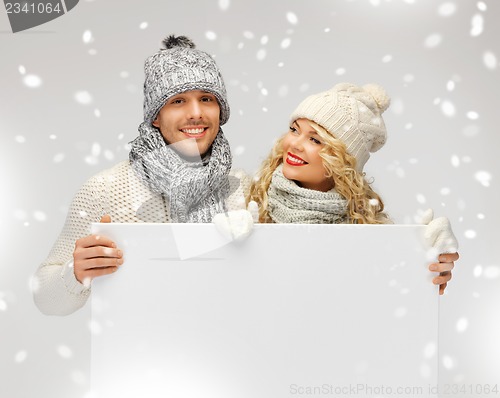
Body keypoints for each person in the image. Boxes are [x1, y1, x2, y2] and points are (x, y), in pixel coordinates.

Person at [33, 35, 251, 315]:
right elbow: (44, 299)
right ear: (155, 116)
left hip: (227, 343)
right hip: (138, 351)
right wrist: (75, 273)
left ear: (221, 111)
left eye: (206, 99)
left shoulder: (244, 186)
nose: (196, 113)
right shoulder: (104, 189)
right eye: (178, 101)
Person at [247, 82, 459, 294]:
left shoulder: (369, 230)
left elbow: (386, 298)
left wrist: (425, 260)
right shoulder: (248, 202)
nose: (295, 144)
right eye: (294, 130)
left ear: (341, 160)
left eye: (315, 139)